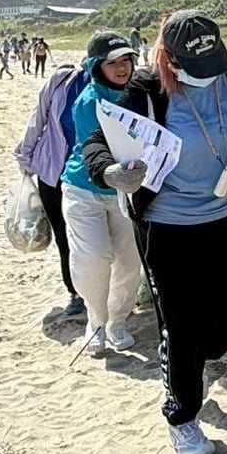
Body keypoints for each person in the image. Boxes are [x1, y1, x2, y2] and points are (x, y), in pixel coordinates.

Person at [82, 11, 227, 454]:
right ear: (169, 59)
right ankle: (182, 416)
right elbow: (97, 140)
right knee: (182, 326)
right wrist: (111, 172)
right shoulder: (145, 92)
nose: (208, 78)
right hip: (171, 229)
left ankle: (199, 362)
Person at [15, 34, 125, 318]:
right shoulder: (64, 81)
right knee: (68, 239)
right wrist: (25, 155)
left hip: (107, 176)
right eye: (107, 62)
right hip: (56, 172)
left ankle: (110, 296)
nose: (116, 67)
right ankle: (77, 293)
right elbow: (39, 117)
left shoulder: (125, 88)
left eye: (121, 61)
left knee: (115, 242)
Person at [58, 37, 142, 357]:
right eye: (112, 62)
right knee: (93, 260)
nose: (122, 67)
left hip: (127, 194)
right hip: (84, 191)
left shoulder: (140, 95)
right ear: (96, 67)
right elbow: (96, 149)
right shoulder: (87, 101)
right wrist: (110, 172)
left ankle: (117, 321)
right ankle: (95, 321)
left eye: (127, 60)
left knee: (129, 262)